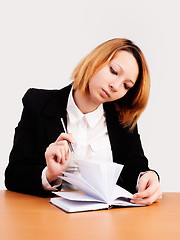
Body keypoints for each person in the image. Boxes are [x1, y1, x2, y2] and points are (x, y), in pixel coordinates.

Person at [5, 38, 162, 205]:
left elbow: (135, 166)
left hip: (108, 221)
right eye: (114, 71)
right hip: (50, 218)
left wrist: (147, 176)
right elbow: (14, 174)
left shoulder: (121, 118)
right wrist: (49, 174)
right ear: (96, 61)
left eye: (126, 86)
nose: (116, 86)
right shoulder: (38, 103)